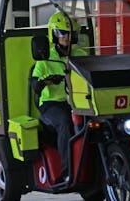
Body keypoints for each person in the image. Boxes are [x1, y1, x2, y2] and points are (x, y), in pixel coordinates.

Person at [31, 11, 86, 183]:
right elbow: (34, 84)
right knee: (64, 122)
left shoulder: (81, 55)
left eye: (70, 34)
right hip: (50, 104)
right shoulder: (45, 58)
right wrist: (46, 81)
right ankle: (67, 172)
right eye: (62, 33)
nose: (67, 37)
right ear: (54, 34)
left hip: (77, 102)